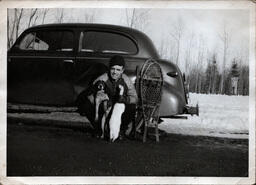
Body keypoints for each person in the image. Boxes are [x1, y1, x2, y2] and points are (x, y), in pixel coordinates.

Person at [77, 55, 138, 139]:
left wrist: (124, 99)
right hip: (105, 109)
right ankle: (99, 129)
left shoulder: (126, 80)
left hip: (118, 110)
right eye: (113, 69)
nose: (115, 72)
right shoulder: (102, 79)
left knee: (131, 107)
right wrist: (98, 98)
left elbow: (135, 98)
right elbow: (88, 96)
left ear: (122, 70)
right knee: (86, 104)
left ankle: (121, 131)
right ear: (109, 69)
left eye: (118, 70)